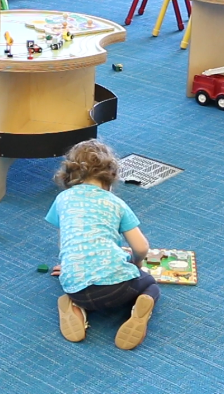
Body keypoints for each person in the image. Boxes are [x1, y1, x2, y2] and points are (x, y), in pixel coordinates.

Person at [45, 139, 160, 350]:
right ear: (111, 176)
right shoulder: (116, 203)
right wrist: (136, 264)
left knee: (78, 288)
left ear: (68, 175)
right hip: (118, 290)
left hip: (75, 288)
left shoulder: (62, 199)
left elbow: (65, 242)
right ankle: (139, 307)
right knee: (150, 284)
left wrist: (68, 265)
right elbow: (141, 247)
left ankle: (76, 307)